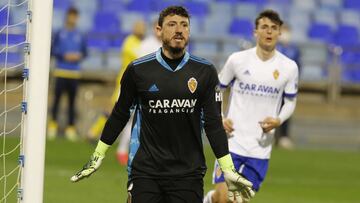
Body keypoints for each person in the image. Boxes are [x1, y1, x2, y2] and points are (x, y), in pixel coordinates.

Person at [71, 6, 254, 203]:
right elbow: (120, 114)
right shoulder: (138, 70)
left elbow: (213, 124)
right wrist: (98, 154)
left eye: (184, 25)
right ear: (159, 31)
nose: (179, 30)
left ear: (189, 31)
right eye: (172, 24)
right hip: (146, 173)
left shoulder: (205, 71)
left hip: (188, 175)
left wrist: (227, 168)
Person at [203, 10, 298, 203]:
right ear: (255, 32)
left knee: (235, 200)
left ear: (280, 33)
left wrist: (279, 119)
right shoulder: (237, 60)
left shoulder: (289, 67)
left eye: (274, 28)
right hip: (231, 142)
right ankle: (212, 198)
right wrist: (219, 117)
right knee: (223, 199)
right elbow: (216, 90)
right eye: (264, 27)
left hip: (260, 148)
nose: (269, 32)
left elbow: (290, 101)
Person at [86, 20, 146, 165]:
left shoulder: (141, 43)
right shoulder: (130, 42)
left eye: (143, 28)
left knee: (125, 113)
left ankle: (119, 147)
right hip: (125, 81)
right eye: (140, 27)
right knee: (115, 109)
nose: (142, 30)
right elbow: (138, 57)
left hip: (135, 82)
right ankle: (94, 132)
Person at [48, 7, 87, 141]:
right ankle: (53, 125)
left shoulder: (80, 35)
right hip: (61, 71)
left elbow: (85, 52)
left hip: (74, 73)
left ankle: (70, 128)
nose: (72, 19)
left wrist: (78, 56)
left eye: (75, 16)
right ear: (67, 17)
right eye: (70, 16)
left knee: (72, 102)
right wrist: (64, 55)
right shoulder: (60, 33)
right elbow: (52, 51)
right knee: (57, 100)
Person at [275, 24, 301, 150]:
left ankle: (284, 137)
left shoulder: (295, 49)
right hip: (274, 84)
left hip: (288, 85)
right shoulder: (274, 48)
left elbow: (298, 66)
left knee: (286, 110)